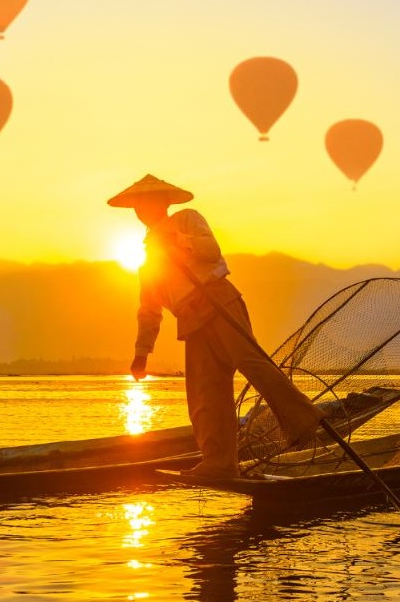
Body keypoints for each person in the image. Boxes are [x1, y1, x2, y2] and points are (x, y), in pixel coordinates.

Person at [108, 174, 323, 479]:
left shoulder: (187, 220)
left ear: (164, 203)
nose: (143, 211)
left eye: (149, 203)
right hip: (191, 320)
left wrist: (177, 242)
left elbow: (211, 250)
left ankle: (302, 420)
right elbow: (149, 310)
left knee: (251, 362)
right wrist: (141, 352)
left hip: (218, 299)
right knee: (205, 393)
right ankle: (219, 462)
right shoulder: (148, 261)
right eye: (138, 207)